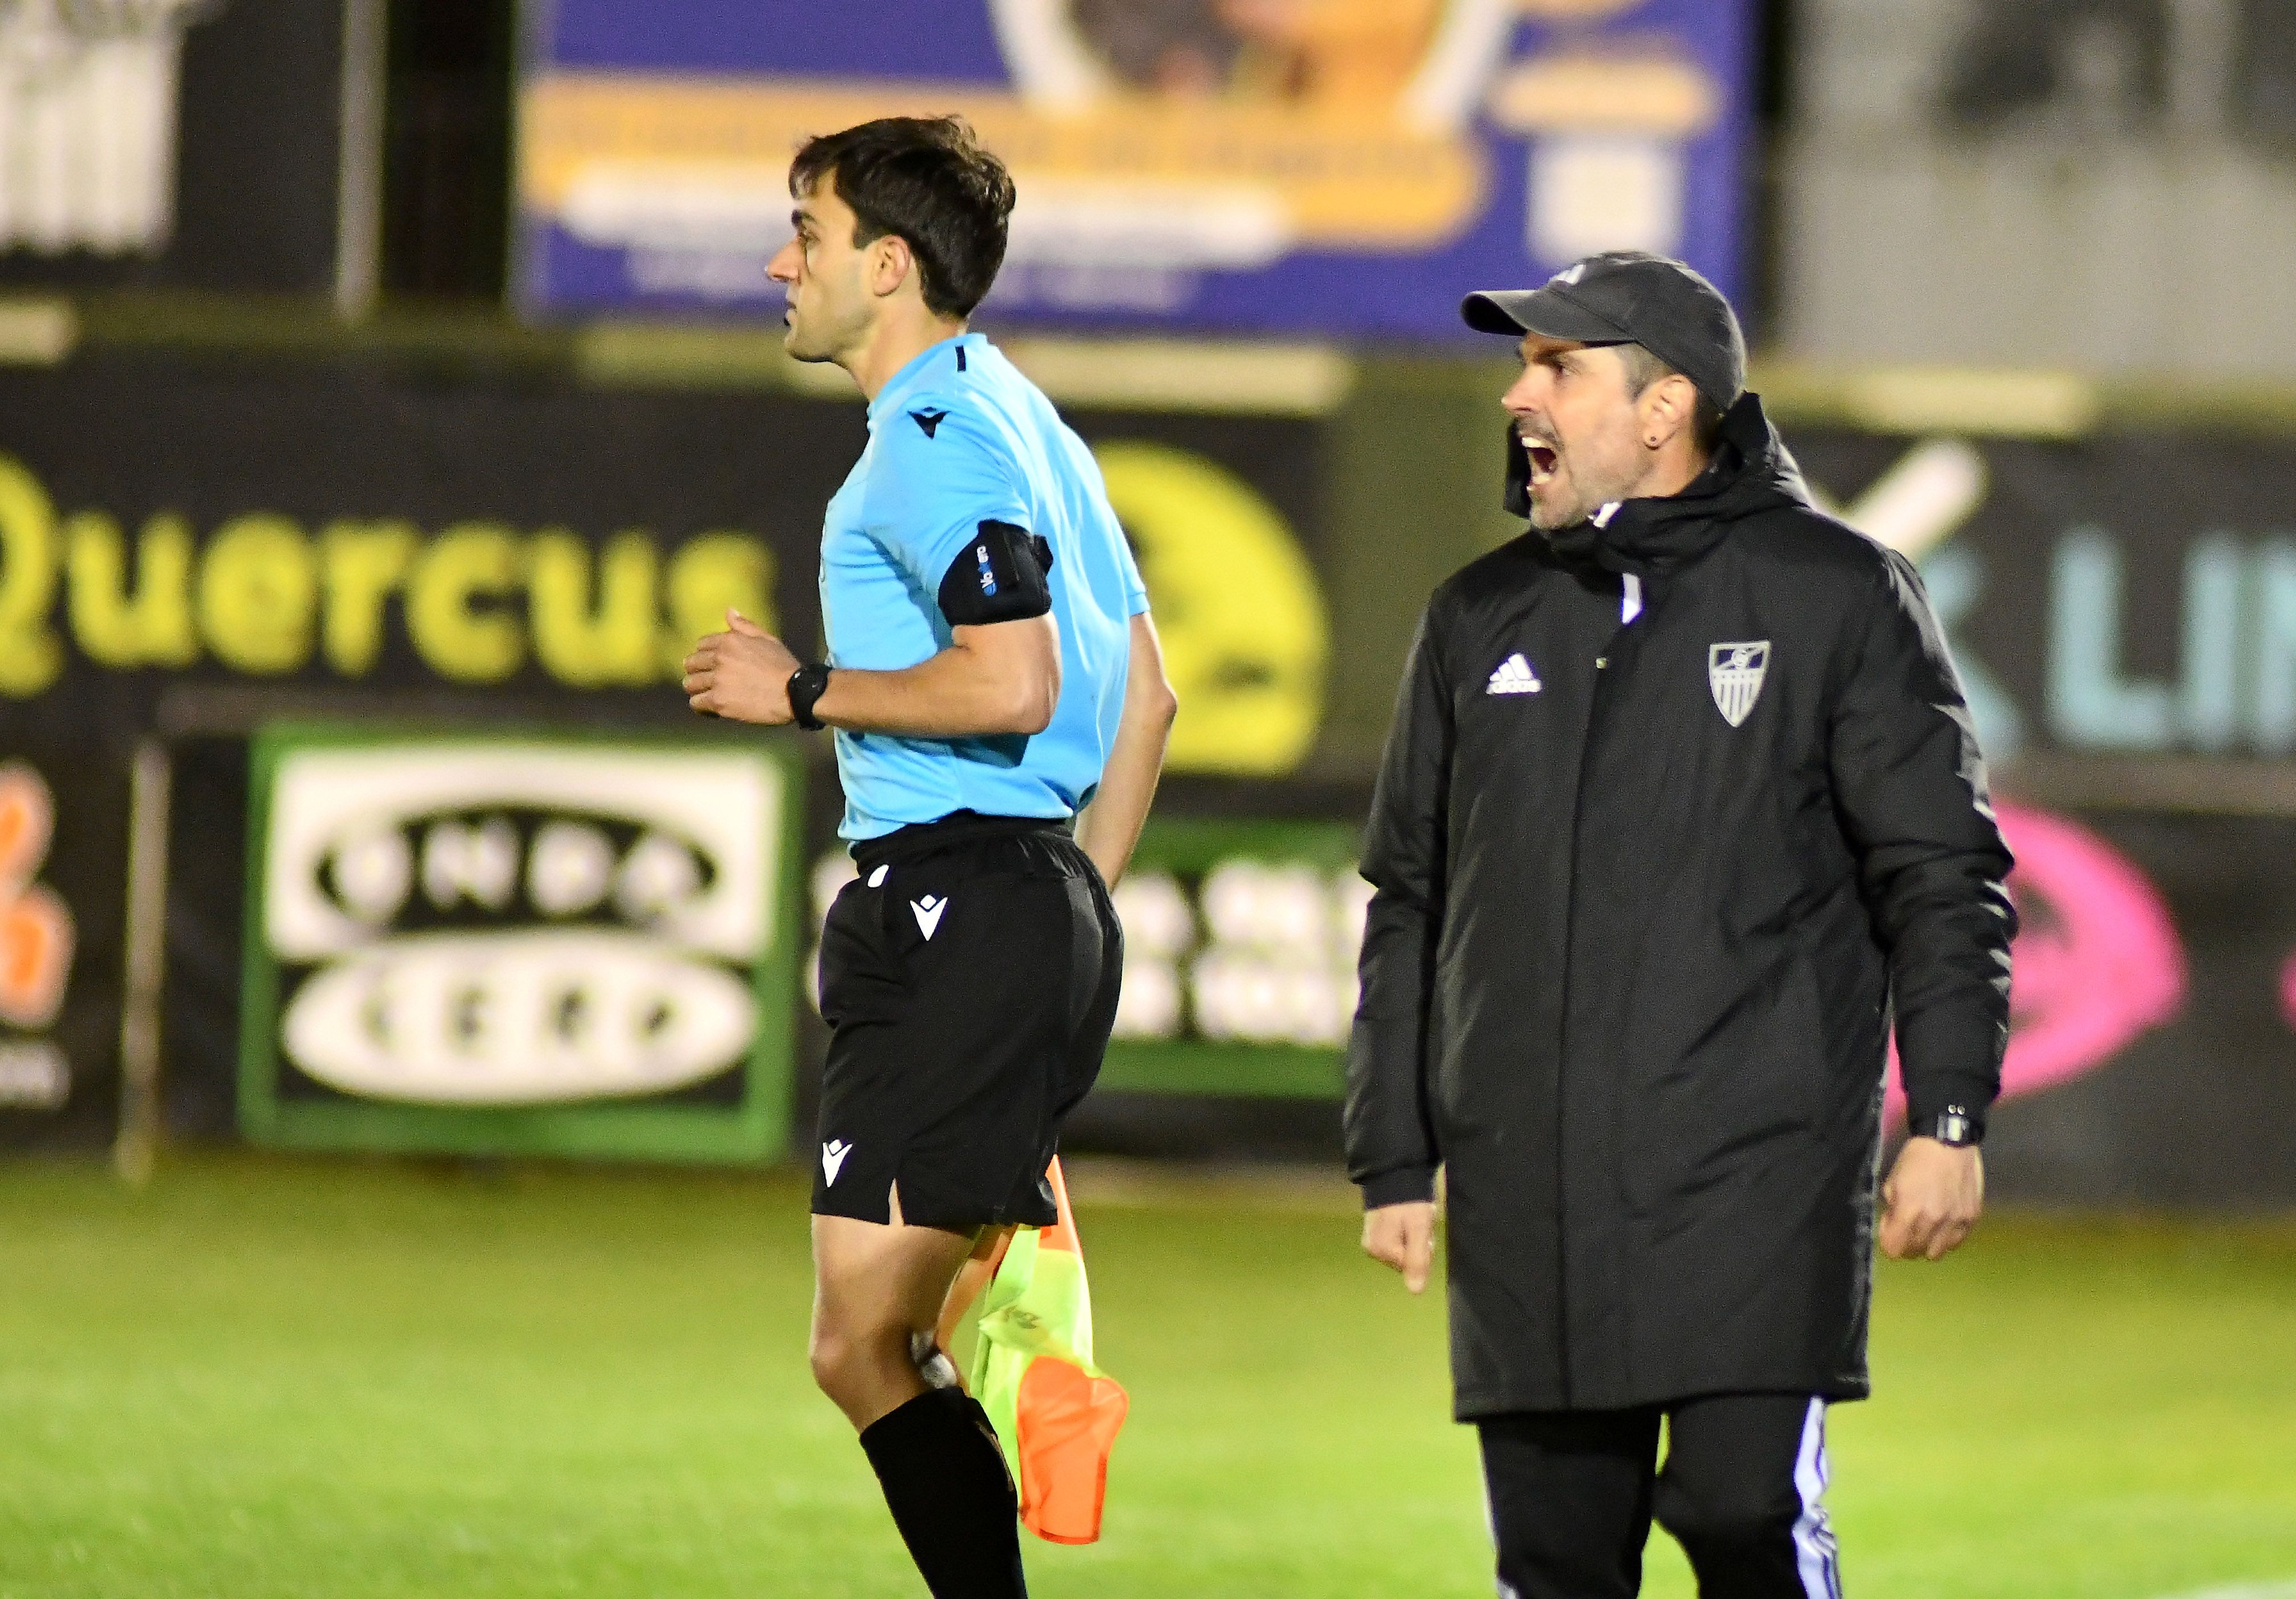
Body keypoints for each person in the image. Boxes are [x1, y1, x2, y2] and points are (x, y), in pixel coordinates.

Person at [1344, 250, 2015, 1598]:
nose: (1514, 395)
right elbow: (1409, 898)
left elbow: (1942, 874)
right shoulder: (1479, 616)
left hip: (1751, 1180)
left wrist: (1946, 1119)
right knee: (1554, 1560)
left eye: (1555, 365)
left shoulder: (1836, 593)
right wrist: (1394, 1154)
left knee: (1738, 1512)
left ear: (1662, 410)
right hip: (1527, 1184)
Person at [680, 116, 1177, 1599]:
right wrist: (1072, 906)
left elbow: (1015, 683)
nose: (783, 262)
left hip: (957, 901)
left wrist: (807, 689)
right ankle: (1033, 1335)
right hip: (1014, 901)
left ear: (885, 265)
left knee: (860, 1341)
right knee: (876, 1328)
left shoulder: (928, 446)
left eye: (808, 234)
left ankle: (1042, 1362)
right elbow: (1143, 697)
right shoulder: (1029, 419)